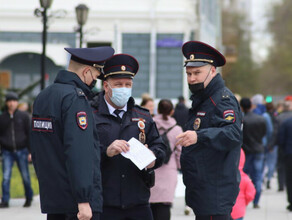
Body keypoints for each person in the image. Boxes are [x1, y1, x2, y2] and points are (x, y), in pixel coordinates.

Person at [30, 46, 114, 220]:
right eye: (96, 77)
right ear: (86, 72)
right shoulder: (75, 98)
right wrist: (83, 199)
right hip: (76, 203)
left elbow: (39, 149)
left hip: (54, 198)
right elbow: (79, 151)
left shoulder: (43, 96)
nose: (94, 83)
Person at [91, 53, 165, 220]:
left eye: (127, 84)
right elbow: (81, 154)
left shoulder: (143, 116)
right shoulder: (91, 115)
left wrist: (153, 158)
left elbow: (160, 147)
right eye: (118, 84)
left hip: (138, 202)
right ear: (106, 86)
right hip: (104, 203)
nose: (123, 89)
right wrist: (106, 152)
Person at [176, 41, 243, 220]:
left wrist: (199, 136)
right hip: (203, 190)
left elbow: (233, 133)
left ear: (212, 71)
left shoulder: (222, 100)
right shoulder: (204, 98)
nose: (192, 78)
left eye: (197, 73)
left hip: (215, 191)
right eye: (188, 74)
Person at [149, 99, 183, 220]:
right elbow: (179, 152)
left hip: (152, 168)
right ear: (172, 111)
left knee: (150, 206)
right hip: (169, 170)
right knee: (164, 206)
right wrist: (179, 167)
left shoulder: (151, 125)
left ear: (157, 110)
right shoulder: (177, 129)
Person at [0, 92, 33, 208]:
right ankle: (5, 200)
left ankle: (29, 197)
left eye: (14, 101)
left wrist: (30, 151)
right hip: (7, 151)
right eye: (9, 101)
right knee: (6, 176)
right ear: (6, 103)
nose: (11, 103)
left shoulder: (24, 116)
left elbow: (29, 134)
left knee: (25, 175)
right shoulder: (2, 117)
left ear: (17, 102)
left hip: (22, 149)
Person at [240, 98, 266, 209]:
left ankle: (244, 197)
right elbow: (264, 133)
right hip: (258, 149)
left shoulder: (242, 120)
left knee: (243, 176)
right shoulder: (261, 119)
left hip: (246, 151)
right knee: (258, 176)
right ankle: (256, 200)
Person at [231, 149, 256, 220]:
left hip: (223, 210)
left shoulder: (224, 177)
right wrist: (245, 203)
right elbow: (250, 194)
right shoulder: (245, 178)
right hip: (239, 211)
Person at [276, 95, 292, 191]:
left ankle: (281, 185)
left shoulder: (280, 118)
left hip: (286, 150)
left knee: (283, 168)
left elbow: (278, 135)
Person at [278, 115, 292, 212]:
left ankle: (291, 201)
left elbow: (281, 139)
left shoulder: (287, 122)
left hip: (289, 153)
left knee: (290, 178)